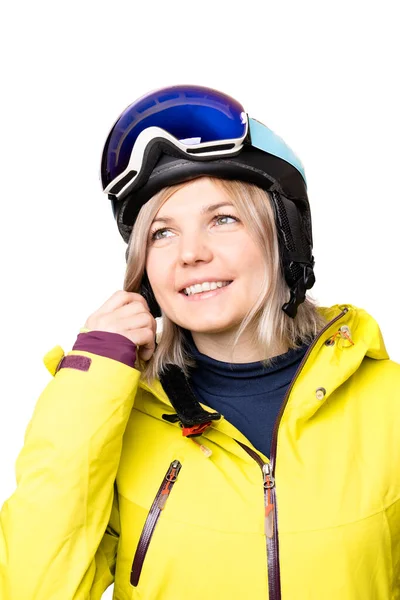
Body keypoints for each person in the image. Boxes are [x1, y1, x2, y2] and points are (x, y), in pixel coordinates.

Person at [1, 84, 399, 600]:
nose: (190, 254)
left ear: (285, 237)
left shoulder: (389, 404)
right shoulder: (115, 417)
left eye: (223, 219)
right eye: (161, 233)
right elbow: (33, 588)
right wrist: (90, 381)